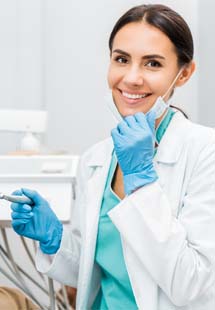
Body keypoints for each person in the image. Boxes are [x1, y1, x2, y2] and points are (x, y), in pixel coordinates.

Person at [10, 4, 215, 310]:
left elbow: (193, 286)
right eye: (121, 59)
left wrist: (141, 182)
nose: (131, 78)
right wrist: (55, 239)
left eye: (153, 64)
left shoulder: (205, 152)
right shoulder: (97, 158)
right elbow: (93, 271)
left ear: (184, 73)